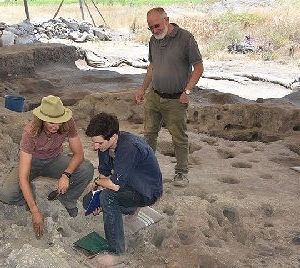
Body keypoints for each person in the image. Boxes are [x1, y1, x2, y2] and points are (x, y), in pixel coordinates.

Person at [0, 95, 94, 237]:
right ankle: (28, 196)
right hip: (32, 162)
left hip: (55, 159)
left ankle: (67, 199)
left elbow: (79, 154)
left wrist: (66, 175)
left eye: (59, 122)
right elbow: (23, 177)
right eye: (51, 122)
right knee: (6, 195)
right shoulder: (30, 132)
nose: (56, 126)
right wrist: (35, 210)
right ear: (42, 119)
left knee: (86, 169)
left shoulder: (68, 122)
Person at [135, 7, 204, 187]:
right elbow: (152, 66)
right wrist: (143, 89)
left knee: (179, 137)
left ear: (167, 20)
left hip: (176, 99)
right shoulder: (153, 40)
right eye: (151, 28)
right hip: (154, 95)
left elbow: (198, 67)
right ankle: (146, 170)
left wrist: (187, 91)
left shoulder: (185, 38)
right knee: (149, 134)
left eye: (157, 25)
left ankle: (181, 173)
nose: (155, 30)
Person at [84, 113, 163, 267]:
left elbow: (114, 185)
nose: (96, 147)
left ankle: (117, 253)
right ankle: (132, 209)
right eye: (94, 143)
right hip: (128, 183)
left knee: (108, 197)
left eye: (99, 143)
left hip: (147, 190)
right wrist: (97, 195)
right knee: (89, 202)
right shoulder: (105, 145)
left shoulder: (129, 147)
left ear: (113, 137)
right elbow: (105, 173)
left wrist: (98, 183)